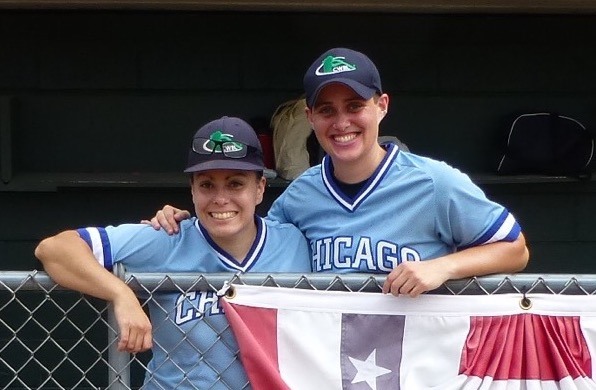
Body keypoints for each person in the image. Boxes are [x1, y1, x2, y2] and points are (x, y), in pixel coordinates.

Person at [147, 47, 529, 298]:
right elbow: (252, 242)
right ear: (310, 118)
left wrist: (443, 267)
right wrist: (182, 219)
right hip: (330, 366)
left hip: (417, 365)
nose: (342, 122)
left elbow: (515, 249)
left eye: (354, 105)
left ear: (381, 106)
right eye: (327, 110)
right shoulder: (300, 195)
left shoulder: (434, 182)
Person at [34, 116, 311, 390]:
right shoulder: (167, 238)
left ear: (259, 188)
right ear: (192, 190)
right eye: (206, 184)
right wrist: (121, 295)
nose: (220, 198)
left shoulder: (293, 244)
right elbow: (55, 249)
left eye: (236, 183)